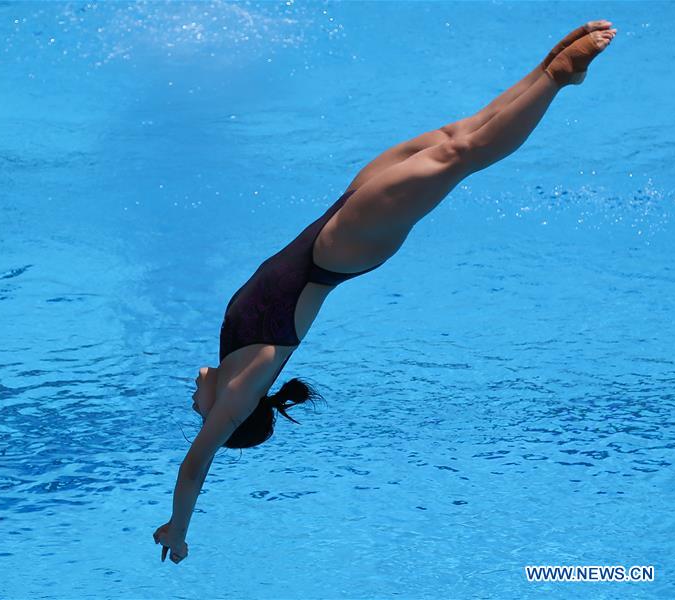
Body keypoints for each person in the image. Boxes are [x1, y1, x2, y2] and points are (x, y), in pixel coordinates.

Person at [154, 20, 617, 563]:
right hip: (344, 247)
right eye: (199, 416)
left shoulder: (231, 354)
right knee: (459, 156)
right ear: (228, 421)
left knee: (452, 135)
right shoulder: (237, 396)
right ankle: (558, 78)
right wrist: (177, 530)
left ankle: (547, 69)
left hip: (336, 219)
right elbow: (192, 469)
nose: (193, 405)